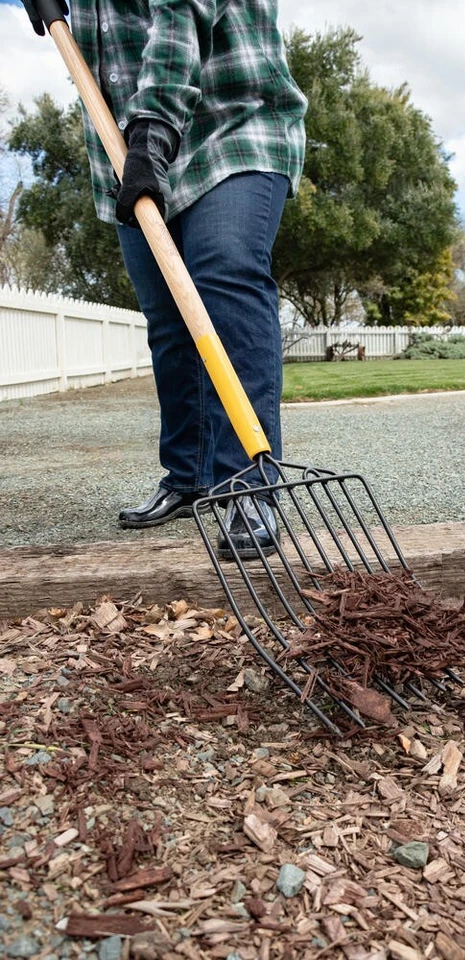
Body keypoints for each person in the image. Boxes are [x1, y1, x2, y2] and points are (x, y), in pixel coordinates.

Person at [21, 0, 307, 557]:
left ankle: (249, 482)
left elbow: (182, 13)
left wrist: (154, 125)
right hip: (125, 146)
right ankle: (190, 475)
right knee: (167, 318)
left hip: (233, 120)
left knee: (224, 274)